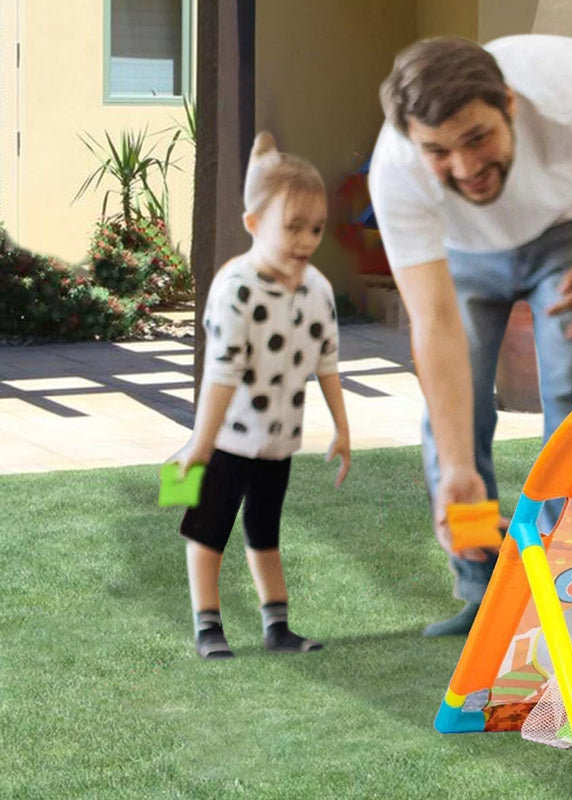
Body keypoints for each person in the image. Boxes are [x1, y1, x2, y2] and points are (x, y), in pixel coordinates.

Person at [369, 34, 572, 636]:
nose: (466, 167)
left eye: (478, 137)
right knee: (451, 422)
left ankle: (569, 591)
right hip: (465, 251)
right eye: (439, 151)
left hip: (571, 231)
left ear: (510, 103)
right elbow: (435, 323)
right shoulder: (397, 169)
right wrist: (455, 469)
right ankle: (481, 596)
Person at [171, 132, 351, 659]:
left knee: (264, 532)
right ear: (253, 224)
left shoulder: (316, 289)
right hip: (226, 441)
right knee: (206, 532)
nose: (306, 239)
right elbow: (221, 372)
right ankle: (208, 625)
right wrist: (200, 445)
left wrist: (342, 427)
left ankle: (277, 625)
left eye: (315, 228)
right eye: (292, 227)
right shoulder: (236, 287)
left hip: (278, 444)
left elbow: (327, 362)